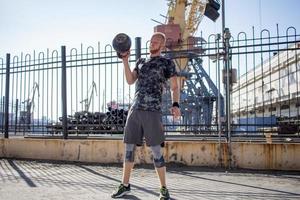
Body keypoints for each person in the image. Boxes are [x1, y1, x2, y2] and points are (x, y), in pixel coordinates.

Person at [111, 32, 181, 200]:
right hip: (135, 109)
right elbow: (130, 80)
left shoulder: (167, 63)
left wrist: (175, 104)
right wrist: (125, 60)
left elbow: (174, 86)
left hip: (153, 110)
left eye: (157, 41)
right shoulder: (141, 61)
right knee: (129, 148)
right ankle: (125, 185)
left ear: (162, 45)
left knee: (156, 151)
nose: (152, 43)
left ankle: (163, 188)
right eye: (151, 40)